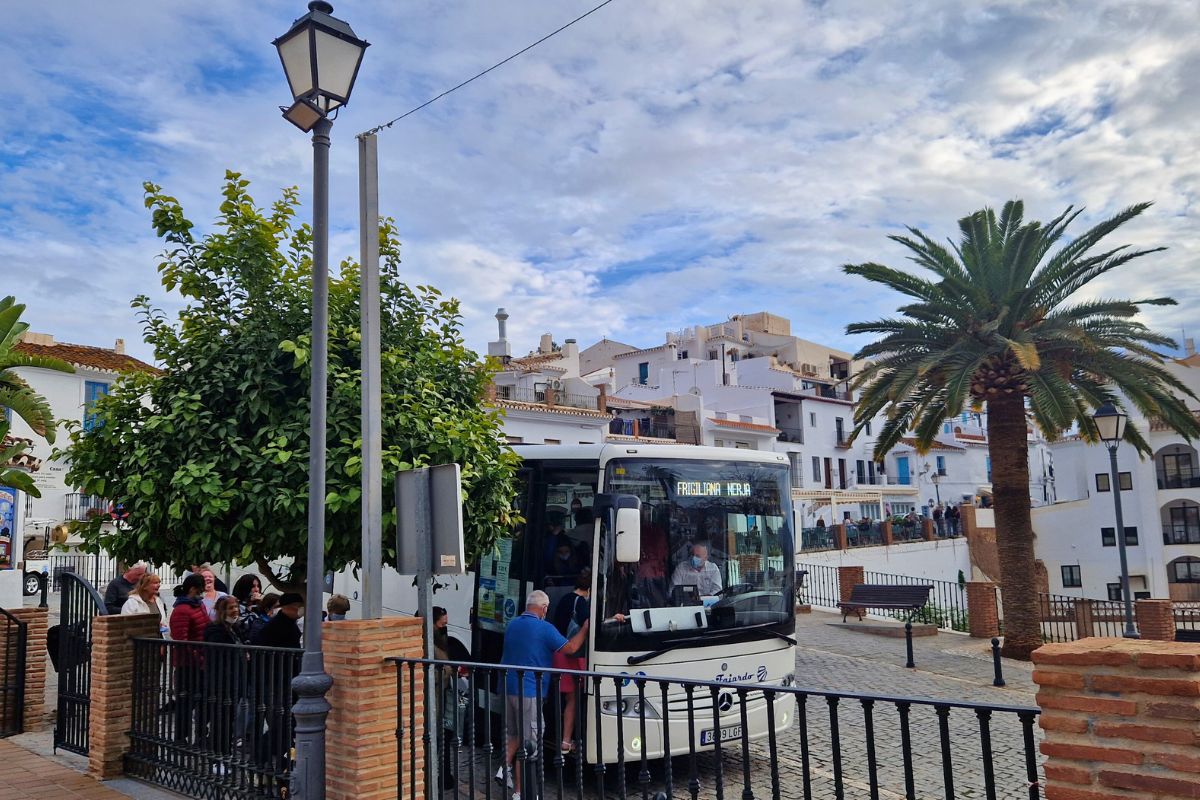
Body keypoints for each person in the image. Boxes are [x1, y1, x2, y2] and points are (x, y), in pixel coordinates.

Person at [497, 591, 589, 800]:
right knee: (529, 744)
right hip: (529, 690)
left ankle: (504, 769)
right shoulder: (544, 628)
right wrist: (584, 628)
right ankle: (522, 792)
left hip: (507, 686)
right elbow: (571, 647)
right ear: (544, 608)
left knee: (514, 734)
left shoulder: (513, 624)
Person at [551, 572, 590, 755]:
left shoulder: (565, 598)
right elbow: (588, 625)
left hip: (559, 654)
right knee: (574, 700)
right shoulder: (581, 603)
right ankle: (567, 740)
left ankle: (564, 739)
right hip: (573, 656)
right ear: (589, 589)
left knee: (568, 699)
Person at [170, 574, 209, 742]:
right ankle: (181, 737)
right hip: (187, 664)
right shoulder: (182, 610)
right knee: (186, 702)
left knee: (202, 700)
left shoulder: (198, 605)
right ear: (193, 589)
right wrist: (197, 657)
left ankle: (201, 735)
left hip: (201, 660)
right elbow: (181, 639)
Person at [121, 571, 169, 637]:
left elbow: (163, 621)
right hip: (141, 641)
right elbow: (126, 624)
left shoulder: (158, 601)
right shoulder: (132, 603)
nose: (159, 585)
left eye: (159, 582)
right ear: (144, 586)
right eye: (155, 583)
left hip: (158, 640)